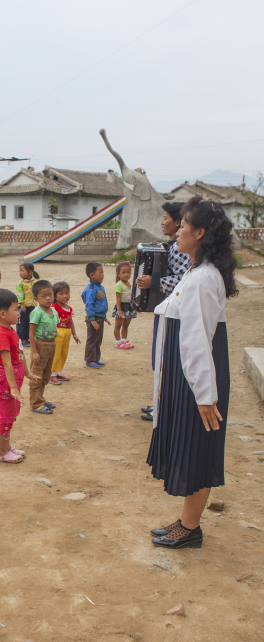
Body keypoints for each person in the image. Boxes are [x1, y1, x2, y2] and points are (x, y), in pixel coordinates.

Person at [147, 197, 237, 549]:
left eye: (183, 225)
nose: (178, 230)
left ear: (199, 233)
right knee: (192, 447)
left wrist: (204, 396)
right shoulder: (196, 273)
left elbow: (198, 339)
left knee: (198, 449)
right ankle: (187, 521)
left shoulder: (201, 279)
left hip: (196, 382)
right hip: (189, 380)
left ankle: (190, 527)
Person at [138, 202, 190, 420]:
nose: (162, 221)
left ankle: (164, 409)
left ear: (178, 223)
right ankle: (160, 404)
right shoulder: (170, 246)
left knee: (167, 358)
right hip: (166, 309)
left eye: (166, 217)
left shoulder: (180, 248)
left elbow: (184, 279)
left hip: (175, 311)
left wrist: (156, 282)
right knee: (161, 357)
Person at [0, 289, 39, 463]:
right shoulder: (1, 333)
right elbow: (7, 363)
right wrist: (13, 388)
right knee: (5, 416)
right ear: (2, 314)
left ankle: (7, 448)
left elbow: (20, 353)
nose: (19, 312)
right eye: (15, 309)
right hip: (6, 382)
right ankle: (1, 452)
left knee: (11, 414)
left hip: (13, 381)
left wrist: (27, 373)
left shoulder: (10, 330)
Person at [28, 280, 58, 414]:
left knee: (46, 375)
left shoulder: (53, 311)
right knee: (37, 375)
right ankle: (35, 404)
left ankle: (40, 398)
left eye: (50, 295)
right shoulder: (37, 312)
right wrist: (34, 351)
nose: (48, 298)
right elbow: (31, 334)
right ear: (35, 299)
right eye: (43, 296)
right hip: (40, 345)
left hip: (51, 344)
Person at [50, 281, 80, 384]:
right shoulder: (53, 307)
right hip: (57, 333)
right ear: (54, 295)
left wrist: (74, 334)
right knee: (56, 353)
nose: (65, 296)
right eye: (61, 293)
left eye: (67, 293)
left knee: (63, 353)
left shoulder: (69, 308)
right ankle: (52, 374)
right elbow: (49, 321)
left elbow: (70, 321)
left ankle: (58, 372)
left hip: (67, 333)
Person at [82, 262, 111, 369]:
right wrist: (92, 319)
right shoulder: (91, 289)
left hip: (100, 318)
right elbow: (89, 305)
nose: (103, 274)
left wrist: (104, 317)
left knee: (98, 339)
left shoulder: (100, 287)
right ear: (92, 275)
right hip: (94, 319)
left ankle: (96, 358)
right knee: (92, 339)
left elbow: (100, 304)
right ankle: (90, 359)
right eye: (101, 272)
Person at [111, 261, 137, 349]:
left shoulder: (130, 284)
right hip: (121, 307)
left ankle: (123, 340)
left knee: (126, 325)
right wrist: (119, 310)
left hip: (129, 307)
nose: (126, 274)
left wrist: (135, 307)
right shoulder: (119, 285)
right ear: (118, 274)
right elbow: (118, 298)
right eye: (124, 272)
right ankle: (118, 342)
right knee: (118, 326)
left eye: (128, 272)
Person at [16, 262, 39, 346]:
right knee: (22, 323)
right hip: (24, 307)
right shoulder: (20, 283)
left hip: (33, 306)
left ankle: (30, 338)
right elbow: (20, 294)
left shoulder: (36, 282)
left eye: (22, 271)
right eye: (20, 271)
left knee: (31, 322)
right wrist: (21, 304)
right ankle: (23, 340)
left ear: (30, 272)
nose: (20, 273)